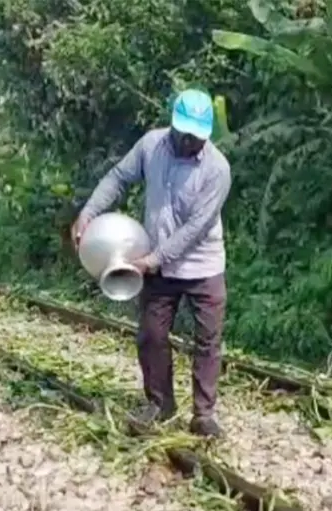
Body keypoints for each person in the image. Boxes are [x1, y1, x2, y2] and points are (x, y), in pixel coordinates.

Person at [72, 88, 233, 438]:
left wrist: (151, 261)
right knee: (151, 336)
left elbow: (195, 229)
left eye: (196, 136)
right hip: (157, 266)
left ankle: (203, 414)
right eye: (184, 133)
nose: (189, 141)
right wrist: (88, 213)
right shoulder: (151, 146)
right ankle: (160, 404)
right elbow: (117, 177)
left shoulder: (217, 169)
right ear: (173, 125)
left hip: (202, 267)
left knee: (207, 340)